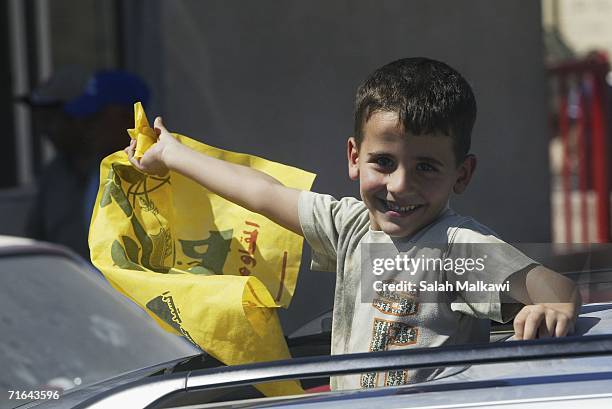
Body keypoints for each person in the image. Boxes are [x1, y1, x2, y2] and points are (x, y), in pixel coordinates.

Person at [125, 57, 581, 390]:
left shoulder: (456, 247)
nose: (399, 186)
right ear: (353, 158)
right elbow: (261, 193)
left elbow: (556, 288)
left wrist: (552, 308)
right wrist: (172, 155)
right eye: (383, 162)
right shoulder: (350, 226)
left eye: (426, 167)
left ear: (461, 174)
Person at [24, 68, 149, 259]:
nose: (86, 125)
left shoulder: (159, 170)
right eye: (82, 117)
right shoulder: (94, 169)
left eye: (95, 116)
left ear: (128, 116)